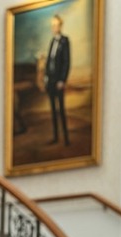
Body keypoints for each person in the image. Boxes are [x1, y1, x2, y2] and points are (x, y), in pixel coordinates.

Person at [45, 14, 70, 146]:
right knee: (53, 110)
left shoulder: (65, 41)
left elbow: (66, 62)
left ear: (60, 26)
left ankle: (66, 138)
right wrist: (46, 76)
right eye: (52, 25)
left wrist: (62, 80)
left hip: (59, 81)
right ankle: (55, 137)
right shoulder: (52, 41)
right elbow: (49, 61)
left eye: (56, 25)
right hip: (50, 80)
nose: (54, 27)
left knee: (61, 109)